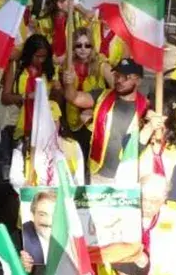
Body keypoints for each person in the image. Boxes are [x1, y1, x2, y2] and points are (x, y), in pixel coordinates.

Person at [63, 58, 149, 186]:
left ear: (138, 80)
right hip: (98, 174)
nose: (119, 80)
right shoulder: (102, 96)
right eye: (117, 75)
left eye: (126, 77)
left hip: (129, 175)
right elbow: (74, 97)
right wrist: (69, 83)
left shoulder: (145, 107)